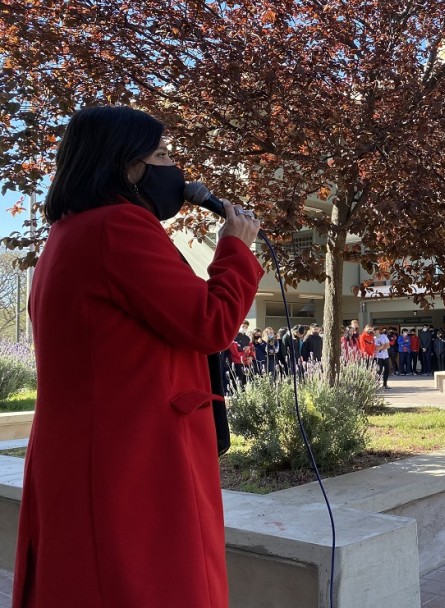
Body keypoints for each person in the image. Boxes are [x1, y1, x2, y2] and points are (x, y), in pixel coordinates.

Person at [13, 106, 263, 607]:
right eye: (163, 154)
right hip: (132, 455)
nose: (177, 170)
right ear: (126, 164)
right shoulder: (118, 227)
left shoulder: (68, 233)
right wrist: (235, 250)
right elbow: (209, 324)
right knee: (144, 584)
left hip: (95, 447)